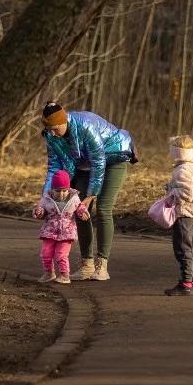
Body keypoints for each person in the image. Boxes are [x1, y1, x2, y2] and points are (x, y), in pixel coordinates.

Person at [40, 101, 137, 281]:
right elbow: (54, 166)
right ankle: (87, 264)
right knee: (78, 209)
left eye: (55, 128)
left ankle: (102, 264)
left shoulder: (85, 125)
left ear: (64, 122)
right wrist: (45, 196)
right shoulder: (51, 136)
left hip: (113, 158)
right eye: (49, 129)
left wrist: (91, 195)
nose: (52, 133)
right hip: (85, 164)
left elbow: (99, 161)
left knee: (103, 208)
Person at [162, 135, 193, 296]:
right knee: (191, 249)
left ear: (176, 153)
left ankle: (185, 284)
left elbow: (186, 193)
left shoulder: (181, 171)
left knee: (182, 250)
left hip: (184, 214)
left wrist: (171, 190)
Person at [34, 169, 89, 284]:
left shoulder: (73, 198)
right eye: (58, 191)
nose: (61, 194)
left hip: (66, 232)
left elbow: (79, 207)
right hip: (50, 231)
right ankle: (49, 273)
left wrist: (82, 212)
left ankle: (64, 275)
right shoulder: (46, 199)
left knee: (61, 255)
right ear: (52, 190)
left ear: (68, 189)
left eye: (64, 191)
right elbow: (41, 210)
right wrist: (39, 212)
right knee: (45, 253)